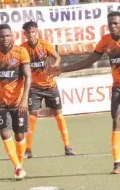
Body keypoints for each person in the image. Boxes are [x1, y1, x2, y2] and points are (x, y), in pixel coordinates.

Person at [49, 11, 120, 174]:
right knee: (117, 122)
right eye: (110, 24)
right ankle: (117, 163)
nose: (112, 26)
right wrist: (62, 69)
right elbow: (88, 61)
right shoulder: (106, 41)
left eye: (115, 23)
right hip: (118, 89)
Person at [21, 21, 75, 159]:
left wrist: (55, 67)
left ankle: (67, 146)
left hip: (50, 86)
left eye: (33, 32)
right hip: (34, 88)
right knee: (32, 115)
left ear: (36, 32)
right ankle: (28, 149)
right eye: (28, 32)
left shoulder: (45, 45)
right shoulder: (22, 49)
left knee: (59, 115)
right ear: (25, 34)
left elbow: (57, 57)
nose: (31, 34)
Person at [0, 24, 31, 180]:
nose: (5, 38)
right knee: (4, 133)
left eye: (7, 35)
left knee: (19, 135)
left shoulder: (21, 52)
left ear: (12, 36)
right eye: (1, 36)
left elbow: (28, 76)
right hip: (2, 103)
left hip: (19, 101)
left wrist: (24, 99)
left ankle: (19, 165)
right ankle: (18, 166)